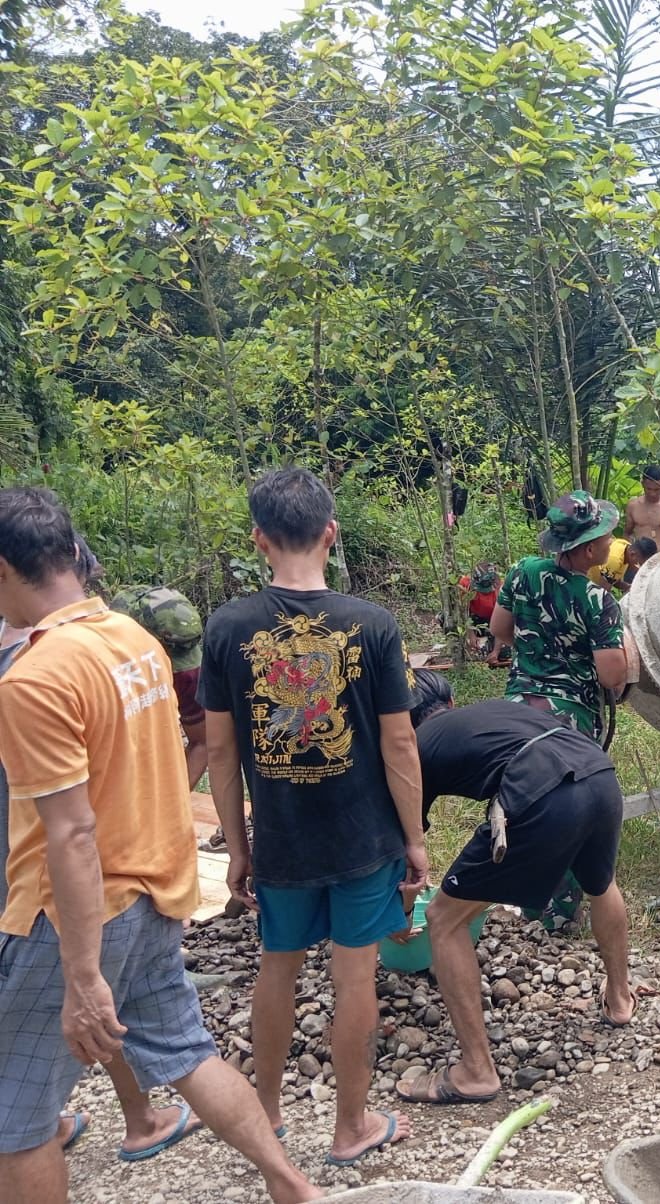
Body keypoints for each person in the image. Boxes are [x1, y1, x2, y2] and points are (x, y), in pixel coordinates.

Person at [0, 487, 319, 1204]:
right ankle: (294, 1186)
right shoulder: (131, 638)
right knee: (187, 1052)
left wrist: (84, 976)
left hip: (76, 915)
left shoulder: (35, 678)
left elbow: (71, 831)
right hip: (155, 890)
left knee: (16, 1120)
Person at [201, 467, 426, 1166]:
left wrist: (238, 846)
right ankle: (350, 1126)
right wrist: (416, 840)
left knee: (278, 970)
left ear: (259, 539)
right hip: (363, 839)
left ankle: (266, 1116)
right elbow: (399, 743)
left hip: (282, 843)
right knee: (354, 979)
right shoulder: (373, 624)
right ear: (331, 533)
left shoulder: (228, 627)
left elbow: (219, 749)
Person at [1, 551, 210, 1164]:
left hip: (95, 875)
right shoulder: (103, 650)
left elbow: (74, 828)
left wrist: (159, 806)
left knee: (24, 1100)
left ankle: (106, 1119)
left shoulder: (77, 663)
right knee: (127, 1020)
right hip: (106, 871)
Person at [394, 671, 645, 1104]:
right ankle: (620, 1000)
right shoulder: (492, 712)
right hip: (598, 772)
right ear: (450, 702)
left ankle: (476, 1072)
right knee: (601, 883)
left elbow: (406, 854)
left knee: (443, 920)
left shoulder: (413, 748)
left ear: (404, 721)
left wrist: (399, 914)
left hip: (543, 788)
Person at [491, 492, 627, 740]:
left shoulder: (522, 571)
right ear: (590, 549)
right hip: (572, 720)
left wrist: (537, 650)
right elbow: (611, 677)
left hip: (518, 708)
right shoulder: (598, 600)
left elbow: (499, 629)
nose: (612, 540)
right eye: (607, 535)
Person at [110, 585, 208, 790]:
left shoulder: (188, 675)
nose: (171, 667)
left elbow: (202, 743)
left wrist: (174, 801)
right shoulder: (95, 673)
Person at [455, 563, 508, 664]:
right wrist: (471, 634)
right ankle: (462, 646)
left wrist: (496, 651)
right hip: (473, 619)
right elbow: (463, 612)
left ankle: (489, 645)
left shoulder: (501, 590)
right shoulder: (465, 585)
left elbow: (503, 622)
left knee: (503, 653)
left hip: (493, 620)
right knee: (444, 617)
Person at [624, 465, 660, 547]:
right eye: (649, 489)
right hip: (640, 553)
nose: (652, 494)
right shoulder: (633, 506)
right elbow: (627, 533)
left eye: (656, 489)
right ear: (643, 484)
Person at [588, 535, 657, 596]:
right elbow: (603, 592)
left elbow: (612, 580)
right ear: (633, 554)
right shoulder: (614, 560)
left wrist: (628, 587)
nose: (639, 568)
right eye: (640, 564)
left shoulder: (626, 547)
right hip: (589, 584)